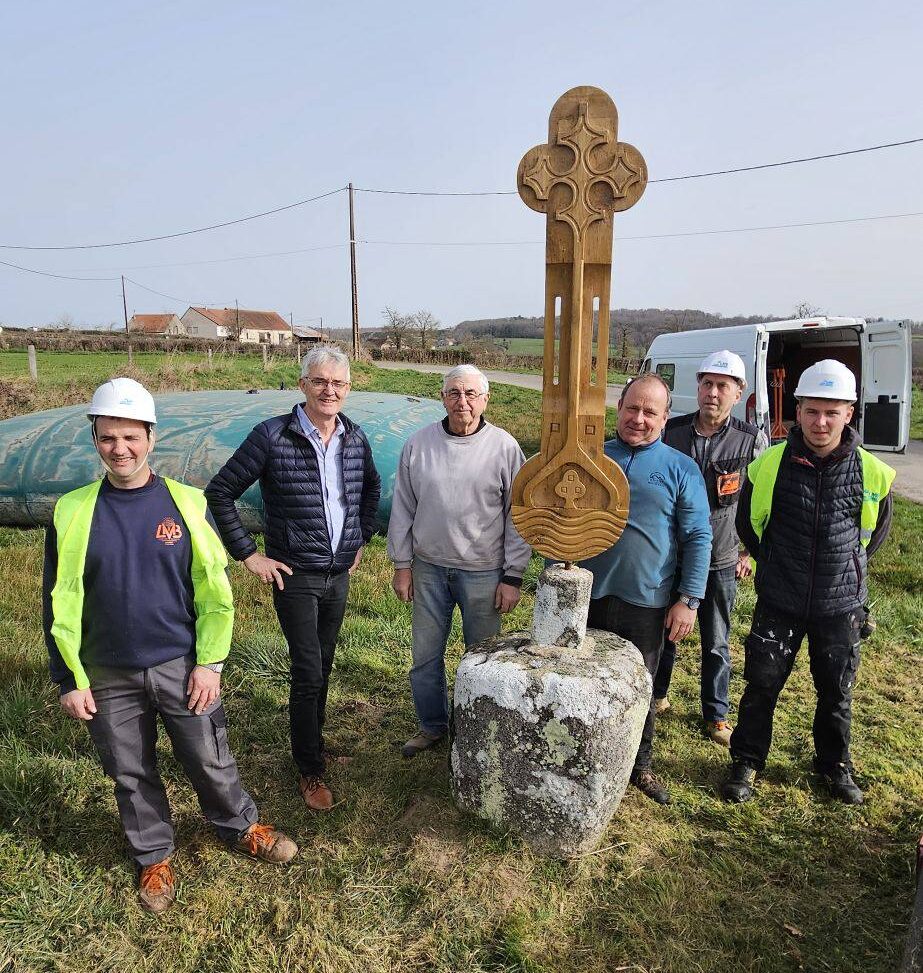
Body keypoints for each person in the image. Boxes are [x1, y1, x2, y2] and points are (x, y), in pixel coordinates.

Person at [43, 377, 297, 915]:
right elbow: (56, 601)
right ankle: (153, 854)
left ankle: (240, 826)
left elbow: (214, 592)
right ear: (95, 438)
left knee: (207, 754)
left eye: (131, 437)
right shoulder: (70, 511)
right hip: (106, 670)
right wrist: (68, 679)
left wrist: (211, 663)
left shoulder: (187, 503)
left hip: (181, 663)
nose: (121, 449)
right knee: (129, 770)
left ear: (151, 439)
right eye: (109, 437)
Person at [205, 346, 381, 811]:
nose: (330, 391)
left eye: (338, 384)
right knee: (307, 669)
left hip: (337, 574)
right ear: (303, 384)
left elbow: (371, 488)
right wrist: (249, 555)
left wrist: (358, 538)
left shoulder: (354, 438)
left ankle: (314, 744)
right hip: (295, 574)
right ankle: (308, 768)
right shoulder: (272, 436)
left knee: (323, 663)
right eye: (320, 381)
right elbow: (220, 492)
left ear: (348, 389)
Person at [722, 359, 895, 805]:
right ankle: (746, 761)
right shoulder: (769, 465)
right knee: (761, 685)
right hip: (780, 599)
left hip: (840, 607)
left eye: (831, 412)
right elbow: (748, 525)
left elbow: (873, 536)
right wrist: (777, 564)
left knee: (836, 692)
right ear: (797, 411)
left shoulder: (872, 472)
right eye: (813, 411)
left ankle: (834, 767)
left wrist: (843, 573)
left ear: (848, 414)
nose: (821, 422)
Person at [387, 364, 532, 758]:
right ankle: (433, 726)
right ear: (443, 397)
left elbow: (517, 515)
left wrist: (513, 575)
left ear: (485, 400)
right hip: (429, 568)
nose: (462, 401)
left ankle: (478, 731)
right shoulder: (418, 445)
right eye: (454, 393)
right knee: (425, 657)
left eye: (471, 394)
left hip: (484, 571)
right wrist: (402, 565)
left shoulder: (504, 447)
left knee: (483, 658)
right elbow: (403, 508)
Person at [580, 373, 712, 804]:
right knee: (583, 681)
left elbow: (697, 536)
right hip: (586, 594)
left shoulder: (680, 468)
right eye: (632, 408)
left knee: (641, 687)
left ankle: (639, 765)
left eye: (650, 412)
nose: (639, 419)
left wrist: (688, 600)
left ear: (665, 417)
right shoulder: (590, 458)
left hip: (648, 601)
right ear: (618, 408)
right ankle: (582, 755)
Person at [654, 350, 768, 745]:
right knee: (664, 630)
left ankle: (716, 715)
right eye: (706, 384)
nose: (712, 393)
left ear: (739, 393)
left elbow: (758, 503)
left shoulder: (751, 440)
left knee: (716, 639)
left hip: (720, 558)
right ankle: (657, 695)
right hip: (673, 553)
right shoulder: (672, 431)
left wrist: (748, 552)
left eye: (723, 386)